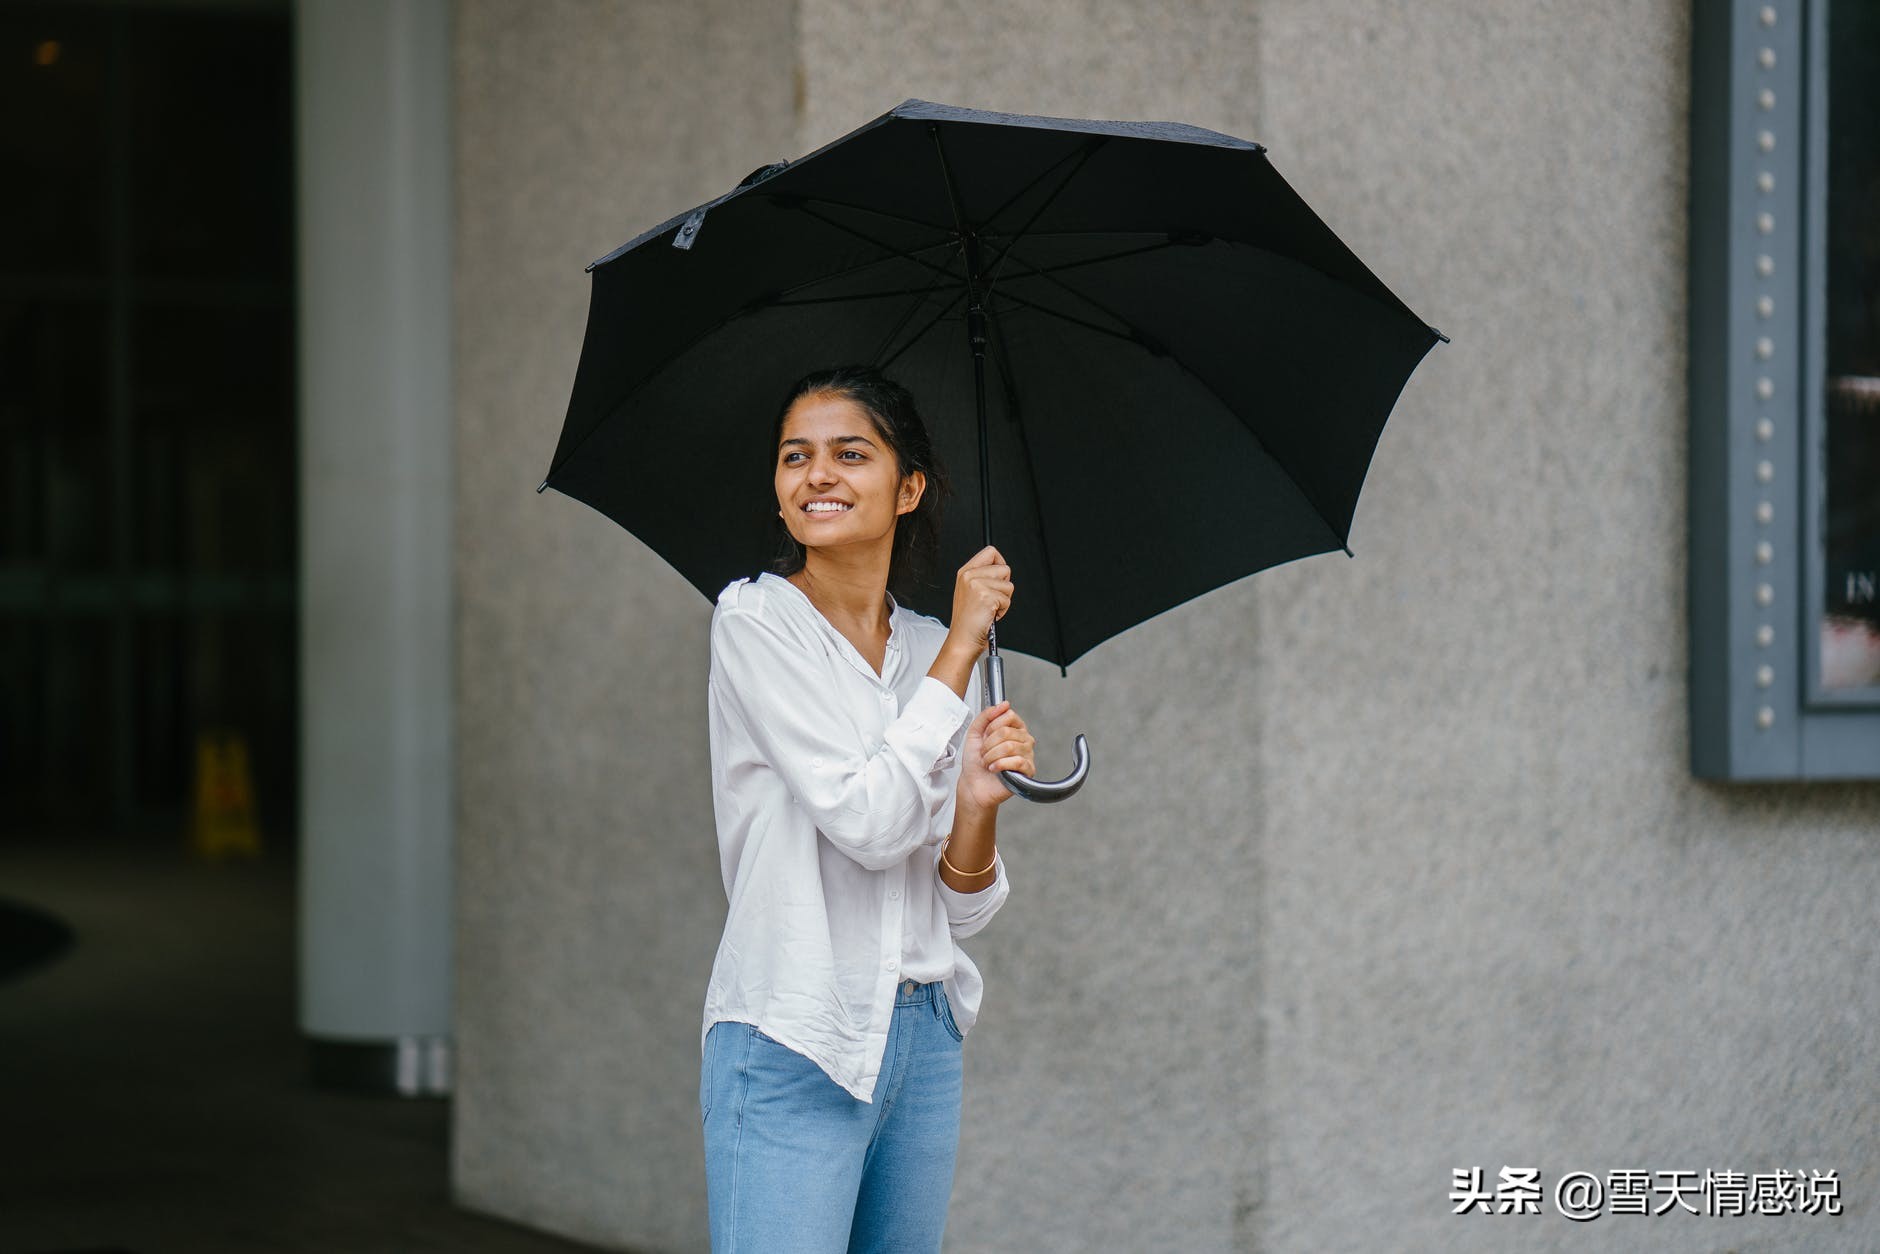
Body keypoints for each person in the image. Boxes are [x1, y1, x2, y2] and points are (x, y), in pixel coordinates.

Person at [698, 365, 1036, 1252]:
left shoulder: (928, 648)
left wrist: (976, 802)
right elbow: (869, 822)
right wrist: (964, 645)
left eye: (851, 454)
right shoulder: (756, 623)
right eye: (795, 457)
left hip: (923, 1040)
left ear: (909, 486)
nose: (818, 476)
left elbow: (964, 902)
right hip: (794, 1029)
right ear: (776, 492)